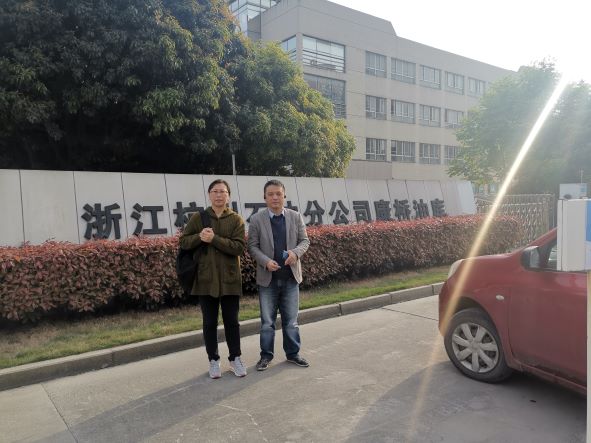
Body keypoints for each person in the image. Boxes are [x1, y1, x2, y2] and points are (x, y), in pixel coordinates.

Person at [179, 179, 247, 379]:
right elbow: (184, 242)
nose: (219, 195)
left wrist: (214, 239)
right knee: (209, 322)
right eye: (215, 191)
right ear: (209, 194)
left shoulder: (236, 219)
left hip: (230, 279)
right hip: (205, 279)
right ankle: (213, 360)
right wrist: (199, 237)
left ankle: (235, 358)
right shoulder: (198, 218)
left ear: (228, 196)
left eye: (223, 191)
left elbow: (239, 247)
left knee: (232, 321)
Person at [248, 179, 310, 371]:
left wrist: (295, 253)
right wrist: (266, 261)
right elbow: (252, 246)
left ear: (284, 196)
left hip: (290, 278)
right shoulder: (256, 219)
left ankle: (293, 354)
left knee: (291, 321)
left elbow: (304, 241)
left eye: (278, 194)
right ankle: (266, 356)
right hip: (268, 280)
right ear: (264, 197)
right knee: (267, 322)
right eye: (270, 194)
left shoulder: (295, 216)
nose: (275, 197)